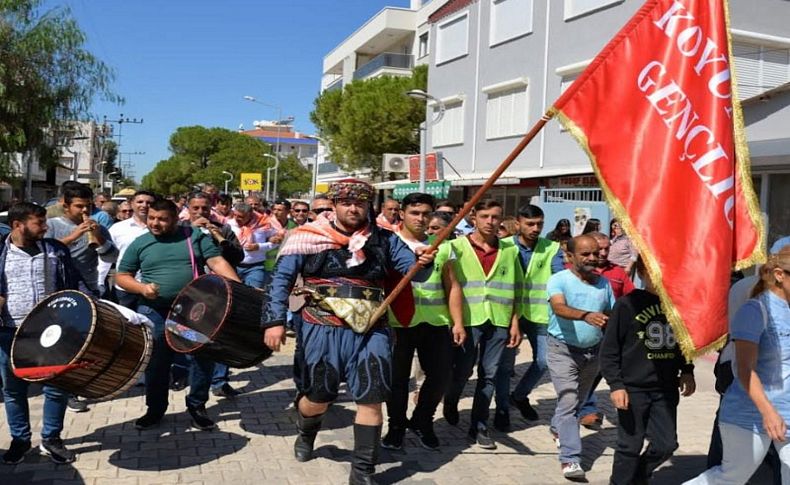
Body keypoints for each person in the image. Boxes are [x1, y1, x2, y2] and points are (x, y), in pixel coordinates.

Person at [260, 179, 435, 484]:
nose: (353, 208)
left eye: (360, 203)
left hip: (372, 329)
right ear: (335, 205)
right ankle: (307, 430)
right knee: (319, 395)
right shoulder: (306, 236)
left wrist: (423, 262)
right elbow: (280, 280)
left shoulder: (385, 239)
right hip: (322, 327)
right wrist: (275, 320)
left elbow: (413, 273)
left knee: (371, 396)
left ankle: (362, 471)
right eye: (346, 203)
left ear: (370, 206)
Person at [115, 199, 241, 431]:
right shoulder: (140, 243)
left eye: (162, 219)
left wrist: (239, 289)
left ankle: (197, 406)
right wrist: (142, 288)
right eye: (152, 218)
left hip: (195, 310)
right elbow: (122, 276)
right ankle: (155, 409)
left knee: (202, 358)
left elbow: (216, 261)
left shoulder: (194, 237)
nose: (155, 223)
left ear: (175, 218)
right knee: (156, 362)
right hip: (155, 311)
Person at [685, 247, 790, 485]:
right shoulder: (756, 310)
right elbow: (744, 369)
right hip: (750, 414)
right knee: (731, 477)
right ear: (780, 275)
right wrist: (768, 412)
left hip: (787, 411)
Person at [0, 203, 87, 464]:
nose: (46, 227)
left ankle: (52, 438)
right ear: (18, 225)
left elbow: (75, 283)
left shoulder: (55, 251)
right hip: (9, 332)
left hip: (51, 332)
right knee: (14, 390)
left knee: (56, 387)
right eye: (39, 222)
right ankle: (21, 440)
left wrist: (92, 307)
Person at [600, 256, 696, 485]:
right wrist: (616, 385)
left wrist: (687, 369)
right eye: (652, 270)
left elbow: (685, 342)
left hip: (665, 388)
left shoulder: (677, 304)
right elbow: (609, 350)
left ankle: (638, 477)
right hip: (633, 388)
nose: (658, 275)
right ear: (641, 273)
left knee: (666, 444)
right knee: (629, 445)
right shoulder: (627, 304)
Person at [382, 193, 464, 451]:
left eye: (426, 213)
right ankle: (396, 426)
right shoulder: (388, 243)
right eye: (415, 213)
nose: (420, 218)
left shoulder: (443, 245)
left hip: (435, 322)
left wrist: (458, 322)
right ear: (402, 213)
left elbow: (452, 287)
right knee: (396, 380)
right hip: (398, 322)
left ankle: (422, 421)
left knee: (440, 376)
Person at [443, 199, 522, 450]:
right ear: (473, 218)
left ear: (502, 219)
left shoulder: (510, 250)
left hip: (498, 320)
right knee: (462, 371)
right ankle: (451, 400)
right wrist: (456, 323)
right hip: (467, 321)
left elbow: (516, 288)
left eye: (495, 217)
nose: (490, 222)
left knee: (489, 374)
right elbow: (448, 286)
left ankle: (479, 424)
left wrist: (514, 323)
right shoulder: (455, 246)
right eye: (485, 216)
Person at [546, 235, 615, 479]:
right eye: (585, 254)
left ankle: (557, 428)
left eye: (595, 253)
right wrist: (585, 315)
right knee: (569, 400)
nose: (592, 258)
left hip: (593, 352)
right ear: (570, 256)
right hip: (562, 350)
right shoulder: (559, 280)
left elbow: (611, 312)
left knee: (577, 400)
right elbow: (559, 308)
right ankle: (570, 459)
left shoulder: (604, 283)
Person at [495, 204, 564, 430]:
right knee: (505, 366)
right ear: (518, 223)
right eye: (530, 224)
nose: (535, 228)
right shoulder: (503, 246)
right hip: (508, 313)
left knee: (544, 361)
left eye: (539, 224)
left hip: (540, 314)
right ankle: (502, 408)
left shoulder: (552, 247)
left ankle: (520, 395)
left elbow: (559, 277)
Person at [577, 231, 636, 428]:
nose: (602, 253)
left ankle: (583, 408)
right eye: (598, 249)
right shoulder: (576, 271)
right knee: (578, 376)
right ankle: (577, 410)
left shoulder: (618, 272)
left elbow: (631, 299)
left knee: (597, 373)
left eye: (606, 249)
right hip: (579, 334)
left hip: (607, 335)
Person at [181, 192, 244, 269]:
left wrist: (221, 240)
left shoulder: (223, 229)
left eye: (205, 208)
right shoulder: (179, 228)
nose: (200, 212)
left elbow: (239, 257)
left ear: (210, 209)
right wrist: (190, 229)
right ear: (188, 209)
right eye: (195, 208)